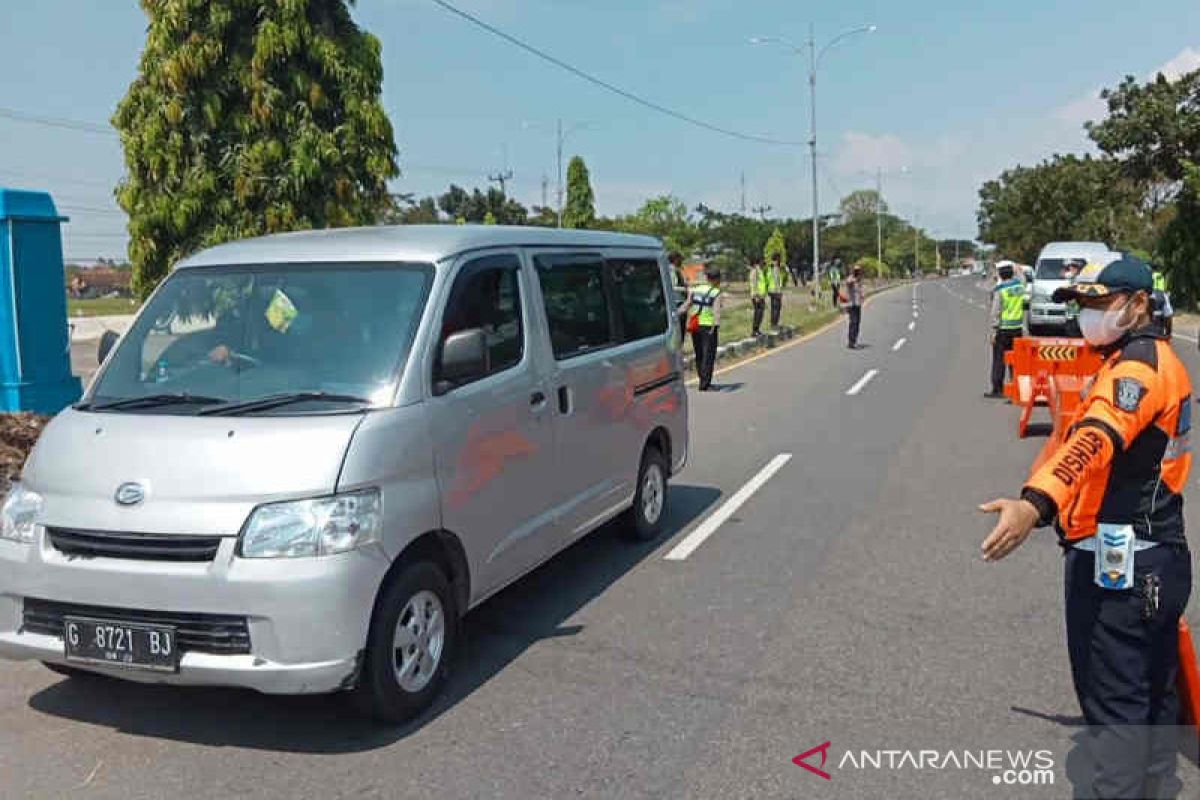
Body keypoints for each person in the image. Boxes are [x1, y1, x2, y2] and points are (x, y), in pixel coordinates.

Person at [979, 255, 1193, 799]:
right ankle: (1155, 787)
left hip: (1121, 561)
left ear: (1139, 304)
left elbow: (1093, 440)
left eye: (1101, 304)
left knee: (1115, 703)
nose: (1088, 316)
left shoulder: (1136, 372)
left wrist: (1034, 505)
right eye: (1083, 305)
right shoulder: (1145, 360)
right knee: (1152, 690)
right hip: (1159, 554)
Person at [677, 266, 724, 391]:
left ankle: (701, 379)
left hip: (695, 325)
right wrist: (716, 325)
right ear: (716, 279)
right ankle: (705, 384)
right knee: (708, 355)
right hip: (708, 327)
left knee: (699, 354)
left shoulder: (696, 289)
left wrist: (676, 313)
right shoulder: (716, 292)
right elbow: (717, 312)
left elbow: (687, 304)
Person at [986, 262, 1025, 398]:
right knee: (1015, 360)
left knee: (999, 360)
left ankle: (998, 389)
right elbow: (1022, 276)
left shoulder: (1000, 290)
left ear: (1000, 275)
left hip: (1003, 329)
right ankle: (1016, 387)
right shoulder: (1020, 287)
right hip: (1017, 328)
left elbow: (995, 312)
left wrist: (993, 331)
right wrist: (1016, 268)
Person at [844, 264, 864, 349]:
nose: (857, 272)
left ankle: (854, 340)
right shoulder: (851, 279)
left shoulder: (859, 280)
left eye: (858, 270)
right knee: (853, 323)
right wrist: (854, 278)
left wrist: (862, 295)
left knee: (857, 323)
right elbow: (848, 282)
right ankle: (851, 342)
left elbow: (860, 291)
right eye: (856, 270)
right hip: (851, 304)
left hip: (858, 304)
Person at [748, 259, 768, 337]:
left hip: (761, 295)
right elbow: (754, 284)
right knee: (758, 314)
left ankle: (757, 329)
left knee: (760, 314)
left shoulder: (759, 271)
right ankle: (754, 330)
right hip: (757, 296)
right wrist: (756, 296)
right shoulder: (755, 271)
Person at [768, 252, 786, 330]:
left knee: (775, 308)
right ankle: (774, 324)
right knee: (776, 308)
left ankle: (774, 323)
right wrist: (779, 292)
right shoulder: (774, 269)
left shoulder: (773, 268)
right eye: (779, 259)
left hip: (772, 290)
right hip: (775, 291)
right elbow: (776, 281)